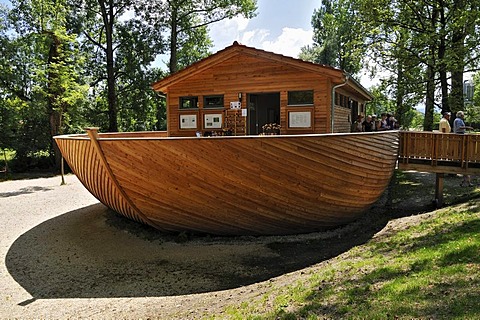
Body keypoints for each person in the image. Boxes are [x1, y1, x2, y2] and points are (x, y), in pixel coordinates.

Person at [453, 111, 474, 186]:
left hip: (460, 136)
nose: (463, 116)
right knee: (461, 151)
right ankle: (460, 157)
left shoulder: (458, 120)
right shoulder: (458, 120)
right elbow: (459, 128)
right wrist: (467, 127)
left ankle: (466, 182)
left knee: (465, 164)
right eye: (463, 115)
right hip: (460, 136)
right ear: (460, 115)